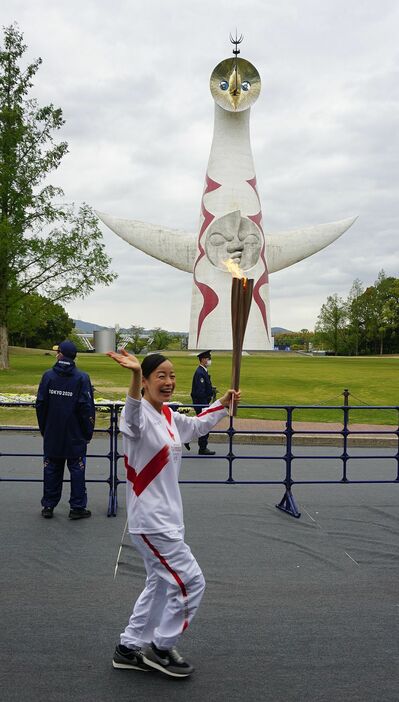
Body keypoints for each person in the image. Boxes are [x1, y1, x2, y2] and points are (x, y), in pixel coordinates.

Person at [107, 350, 239, 678]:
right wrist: (135, 374)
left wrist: (222, 403)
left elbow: (195, 426)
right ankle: (161, 646)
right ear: (147, 382)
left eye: (172, 375)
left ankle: (128, 647)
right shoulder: (133, 418)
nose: (168, 382)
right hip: (152, 521)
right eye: (160, 376)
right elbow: (134, 408)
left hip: (168, 518)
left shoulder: (167, 415)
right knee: (192, 581)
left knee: (160, 583)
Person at [36, 340, 95, 520]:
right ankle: (77, 507)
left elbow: (40, 404)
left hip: (53, 433)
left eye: (58, 351)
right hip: (75, 434)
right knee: (77, 470)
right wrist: (87, 432)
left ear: (61, 354)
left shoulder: (48, 376)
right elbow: (87, 409)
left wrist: (45, 429)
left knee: (51, 468)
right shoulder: (82, 378)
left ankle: (48, 505)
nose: (56, 354)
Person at [190, 350, 216, 455]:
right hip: (201, 403)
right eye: (208, 359)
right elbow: (200, 391)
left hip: (203, 402)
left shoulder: (203, 371)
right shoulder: (200, 372)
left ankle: (201, 445)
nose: (209, 361)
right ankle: (202, 447)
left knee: (202, 425)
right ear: (202, 360)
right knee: (203, 425)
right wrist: (206, 402)